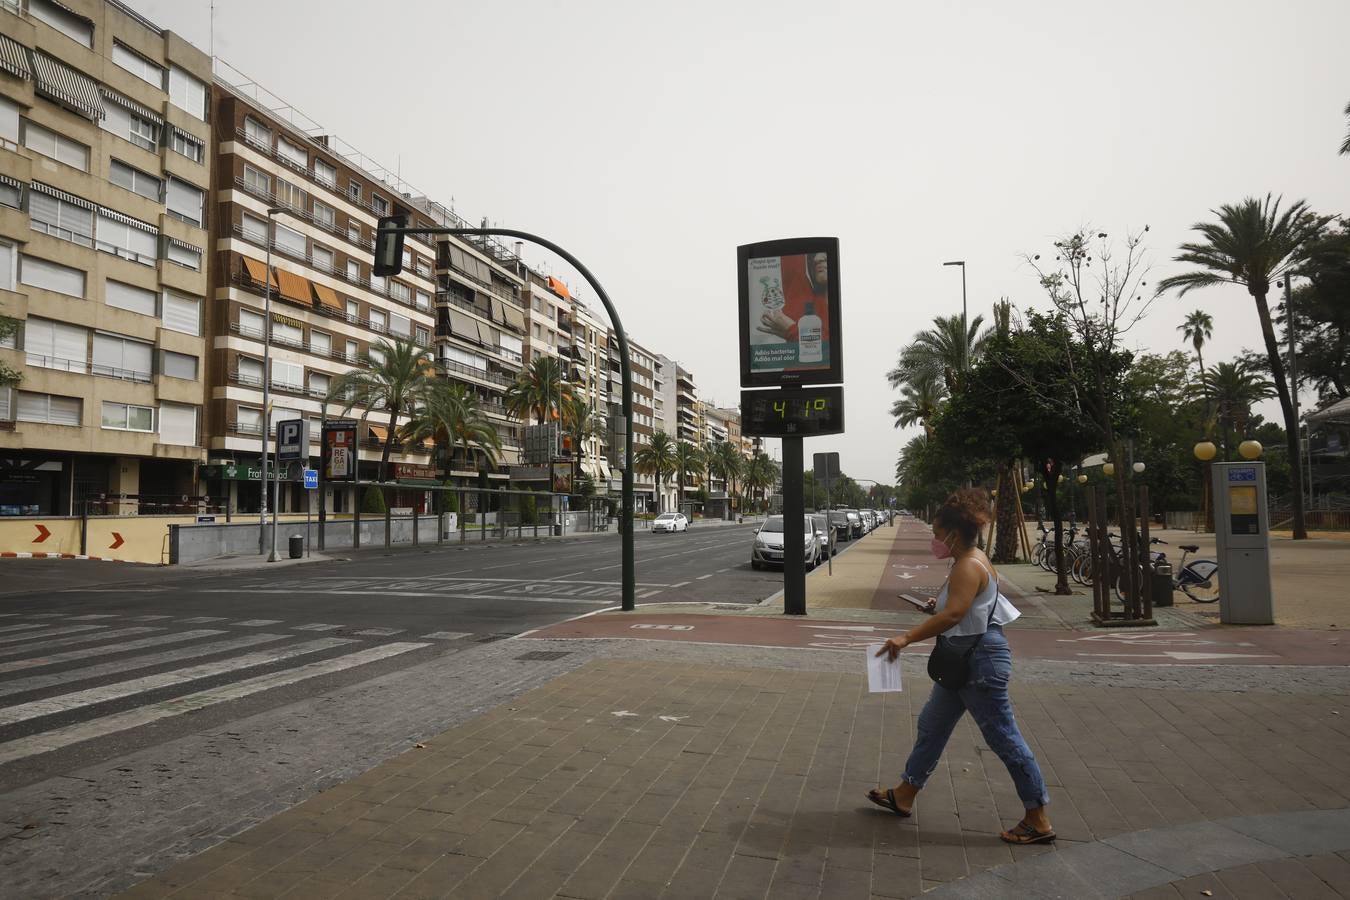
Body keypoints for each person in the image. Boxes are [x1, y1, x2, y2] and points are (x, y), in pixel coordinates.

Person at [867, 488, 1054, 845]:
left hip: (979, 663)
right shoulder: (972, 558)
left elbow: (955, 614)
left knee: (1004, 738)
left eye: (938, 534)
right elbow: (963, 606)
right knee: (932, 726)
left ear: (954, 533)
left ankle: (1038, 817)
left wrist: (906, 638)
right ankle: (904, 794)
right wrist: (939, 606)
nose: (935, 540)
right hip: (964, 661)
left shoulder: (968, 565)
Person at [756, 252, 830, 344]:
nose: (816, 259)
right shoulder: (805, 302)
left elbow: (827, 352)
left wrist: (792, 331)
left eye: (825, 254)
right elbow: (793, 265)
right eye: (813, 256)